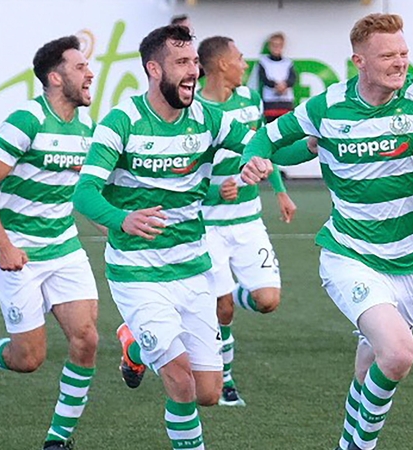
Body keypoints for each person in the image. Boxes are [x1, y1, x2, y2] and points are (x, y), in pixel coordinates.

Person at [239, 13, 413, 450]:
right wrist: (257, 159)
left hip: (410, 261)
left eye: (404, 53)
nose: (400, 63)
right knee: (398, 354)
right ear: (359, 60)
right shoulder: (327, 106)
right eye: (388, 55)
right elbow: (264, 138)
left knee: (369, 370)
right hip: (349, 254)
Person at [72, 25, 253, 450]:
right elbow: (84, 192)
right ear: (154, 69)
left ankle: (133, 347)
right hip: (136, 274)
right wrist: (122, 219)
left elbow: (257, 142)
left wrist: (284, 151)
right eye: (182, 63)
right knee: (180, 378)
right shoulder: (122, 121)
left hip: (193, 272)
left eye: (194, 62)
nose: (193, 71)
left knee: (208, 392)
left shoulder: (208, 117)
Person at [0, 36, 100, 450]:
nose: (90, 73)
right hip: (19, 253)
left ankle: (58, 439)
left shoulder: (87, 127)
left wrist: (116, 222)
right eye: (80, 67)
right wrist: (4, 246)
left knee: (87, 339)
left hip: (65, 248)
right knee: (29, 359)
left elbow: (77, 191)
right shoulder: (28, 120)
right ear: (55, 78)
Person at [195, 35, 302, 406]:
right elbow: (180, 177)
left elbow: (262, 147)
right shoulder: (193, 110)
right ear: (222, 65)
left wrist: (280, 191)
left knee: (268, 300)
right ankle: (225, 380)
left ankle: (229, 294)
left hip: (248, 221)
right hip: (207, 225)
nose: (245, 64)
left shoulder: (249, 101)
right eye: (239, 58)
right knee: (222, 310)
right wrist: (214, 192)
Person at [254, 32, 298, 122]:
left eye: (279, 45)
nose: (276, 47)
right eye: (274, 45)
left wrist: (285, 85)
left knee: (286, 127)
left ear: (282, 46)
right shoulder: (263, 61)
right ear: (270, 46)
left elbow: (293, 78)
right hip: (270, 102)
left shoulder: (288, 62)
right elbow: (264, 78)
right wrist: (276, 85)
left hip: (286, 102)